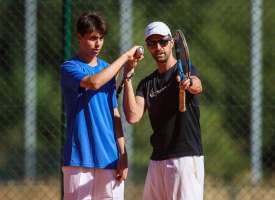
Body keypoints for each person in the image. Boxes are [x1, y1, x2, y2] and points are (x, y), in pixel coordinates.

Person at [60, 11, 142, 200]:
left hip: (109, 159)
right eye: (92, 38)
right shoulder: (69, 67)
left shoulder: (107, 69)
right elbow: (94, 82)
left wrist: (123, 153)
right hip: (79, 158)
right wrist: (125, 57)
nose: (98, 44)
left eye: (101, 38)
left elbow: (114, 113)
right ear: (79, 37)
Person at [122, 21, 204, 200]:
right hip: (157, 159)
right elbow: (133, 116)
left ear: (172, 43)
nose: (158, 47)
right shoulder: (146, 84)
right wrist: (127, 77)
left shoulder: (186, 71)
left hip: (185, 158)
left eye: (163, 42)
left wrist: (188, 83)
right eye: (152, 43)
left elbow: (197, 85)